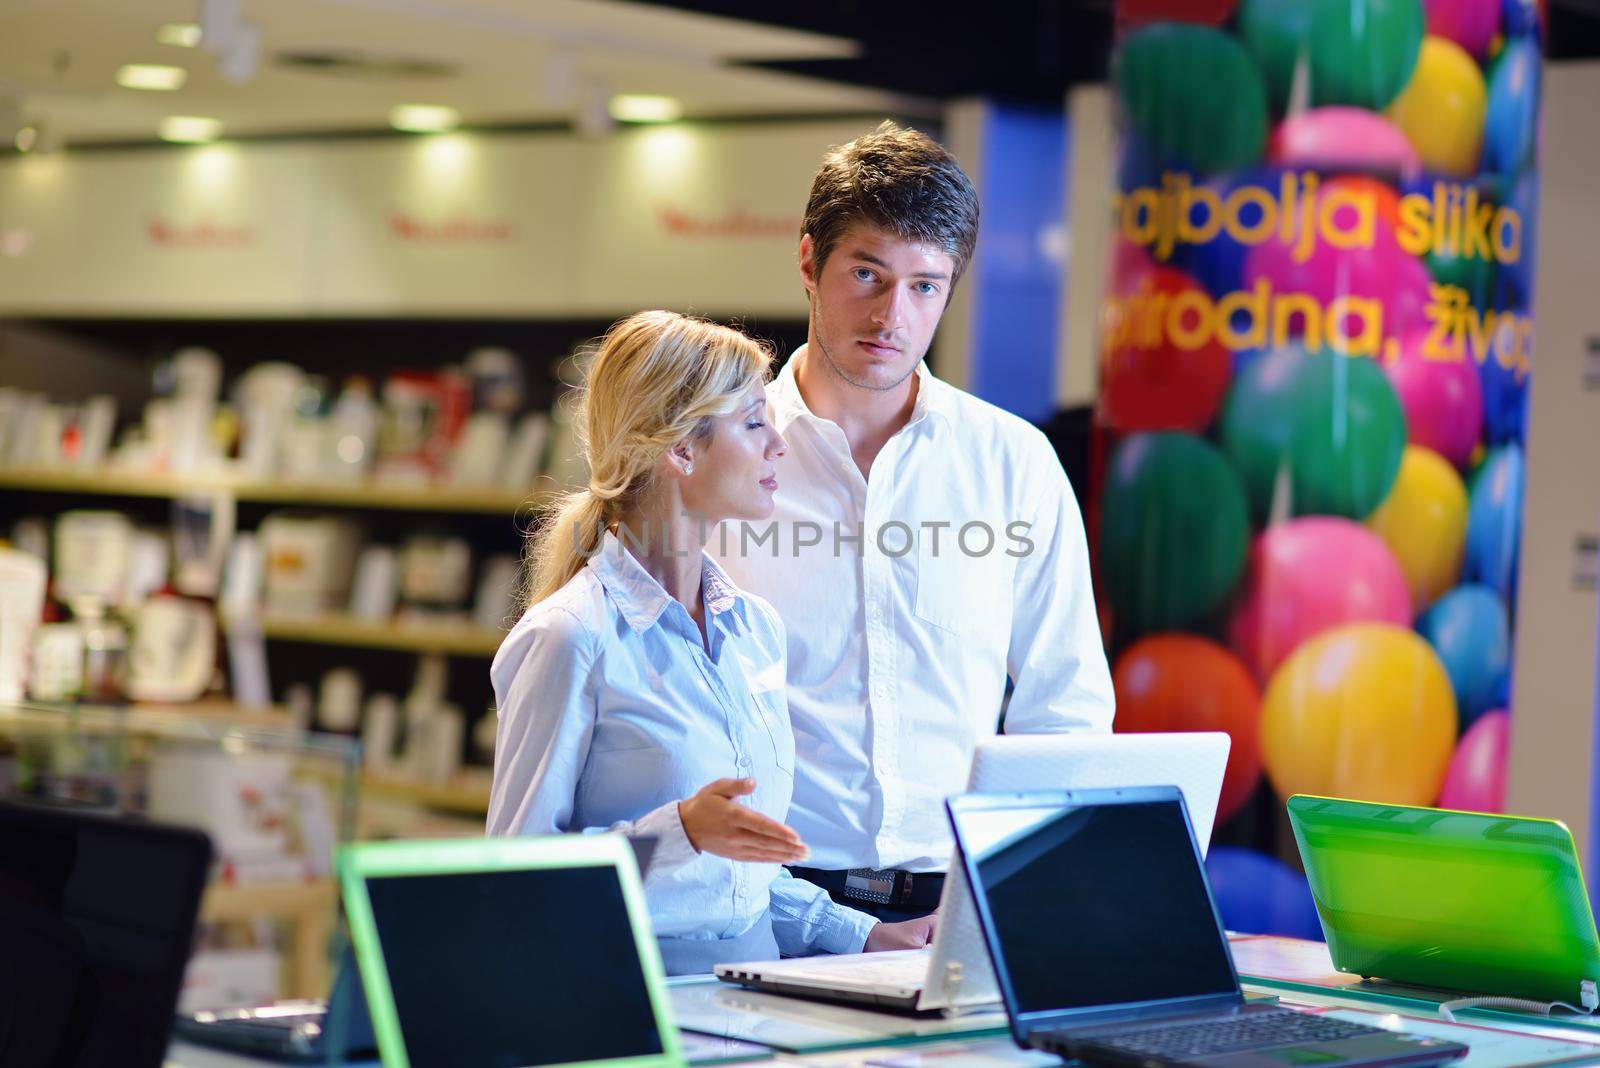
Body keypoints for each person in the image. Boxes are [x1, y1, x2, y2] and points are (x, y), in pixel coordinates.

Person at [710, 123, 1116, 946]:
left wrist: (1000, 896)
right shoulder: (716, 453)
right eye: (868, 273)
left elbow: (1065, 710)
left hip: (957, 907)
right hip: (760, 903)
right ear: (807, 263)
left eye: (926, 286)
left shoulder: (1012, 462)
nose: (893, 314)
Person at [486, 310, 922, 973]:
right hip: (623, 999)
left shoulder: (755, 631)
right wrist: (680, 830)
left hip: (753, 994)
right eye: (753, 422)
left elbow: (742, 883)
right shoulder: (569, 636)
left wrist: (862, 933)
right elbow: (517, 879)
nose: (779, 444)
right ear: (681, 450)